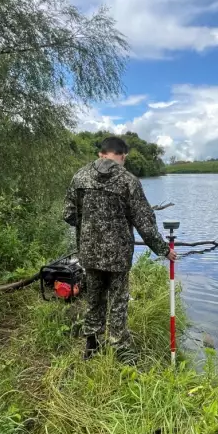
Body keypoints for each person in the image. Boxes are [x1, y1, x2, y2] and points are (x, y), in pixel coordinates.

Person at [63, 136, 178, 358]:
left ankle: (91, 347)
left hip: (89, 252)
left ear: (101, 153)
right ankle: (119, 349)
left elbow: (68, 214)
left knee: (94, 298)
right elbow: (144, 222)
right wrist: (163, 249)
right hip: (118, 256)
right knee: (118, 301)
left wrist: (89, 225)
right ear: (122, 156)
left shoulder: (79, 177)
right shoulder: (128, 181)